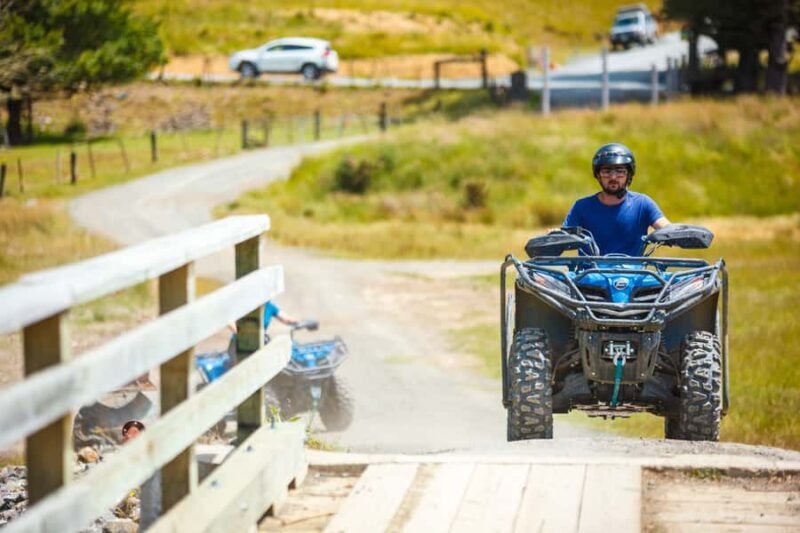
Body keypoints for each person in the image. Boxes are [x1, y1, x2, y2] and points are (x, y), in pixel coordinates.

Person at [563, 143, 670, 256]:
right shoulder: (582, 207)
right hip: (590, 272)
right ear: (598, 175)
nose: (613, 177)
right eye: (607, 171)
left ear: (628, 175)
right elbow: (563, 238)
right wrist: (554, 237)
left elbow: (667, 229)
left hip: (634, 272)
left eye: (620, 171)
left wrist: (680, 234)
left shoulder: (643, 204)